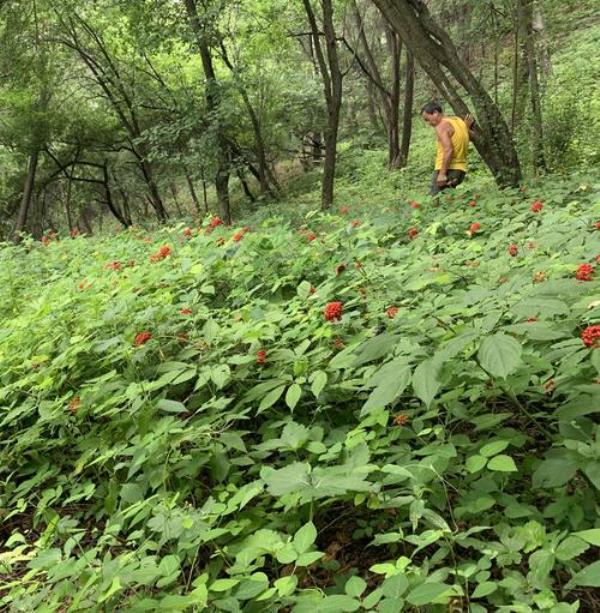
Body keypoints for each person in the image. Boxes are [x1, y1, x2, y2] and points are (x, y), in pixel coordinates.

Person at [421, 101, 475, 196]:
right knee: (447, 201)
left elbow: (449, 150)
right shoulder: (458, 121)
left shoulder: (441, 125)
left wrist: (442, 174)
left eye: (427, 119)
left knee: (434, 201)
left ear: (435, 113)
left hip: (448, 170)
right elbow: (468, 137)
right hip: (460, 171)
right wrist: (466, 127)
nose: (428, 123)